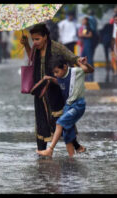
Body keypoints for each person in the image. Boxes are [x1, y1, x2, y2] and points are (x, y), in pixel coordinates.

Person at [20, 23, 87, 153]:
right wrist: (27, 45)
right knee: (41, 121)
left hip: (55, 89)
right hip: (40, 90)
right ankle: (42, 151)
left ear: (45, 37)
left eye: (37, 39)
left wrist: (80, 60)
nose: (35, 42)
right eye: (33, 39)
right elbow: (32, 60)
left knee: (60, 120)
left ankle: (76, 146)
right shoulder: (35, 48)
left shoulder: (56, 47)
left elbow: (71, 57)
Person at [36, 55, 94, 157]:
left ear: (65, 67)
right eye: (54, 73)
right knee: (67, 134)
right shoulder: (60, 76)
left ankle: (50, 150)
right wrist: (50, 78)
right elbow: (59, 82)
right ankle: (72, 158)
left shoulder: (75, 72)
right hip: (68, 106)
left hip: (77, 105)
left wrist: (83, 63)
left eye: (57, 72)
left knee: (60, 123)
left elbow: (89, 70)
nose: (56, 74)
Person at [78, 17, 94, 81]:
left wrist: (83, 35)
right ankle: (84, 68)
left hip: (88, 44)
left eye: (83, 20)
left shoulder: (89, 27)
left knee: (89, 57)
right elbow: (80, 35)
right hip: (84, 44)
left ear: (86, 21)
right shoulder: (83, 27)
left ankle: (90, 70)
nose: (82, 21)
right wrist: (82, 35)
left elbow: (90, 35)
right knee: (83, 56)